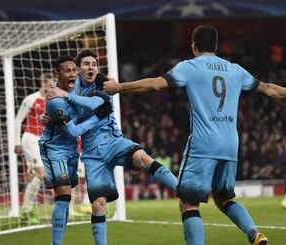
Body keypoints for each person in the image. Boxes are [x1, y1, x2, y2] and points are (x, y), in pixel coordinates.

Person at [103, 25, 286, 245]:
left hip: (204, 143)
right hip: (230, 144)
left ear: (193, 46)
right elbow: (268, 89)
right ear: (216, 46)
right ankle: (255, 234)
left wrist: (119, 87)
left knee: (188, 203)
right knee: (224, 198)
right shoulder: (235, 69)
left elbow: (155, 85)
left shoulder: (189, 67)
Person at [46, 49, 179, 245]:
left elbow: (92, 104)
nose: (91, 67)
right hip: (92, 154)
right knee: (99, 205)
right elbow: (60, 106)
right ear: (77, 69)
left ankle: (181, 189)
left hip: (113, 141)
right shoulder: (71, 88)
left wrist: (66, 95)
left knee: (142, 157)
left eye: (94, 64)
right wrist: (50, 116)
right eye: (86, 64)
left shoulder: (103, 84)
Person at [39, 55, 109, 245]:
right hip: (54, 149)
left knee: (66, 197)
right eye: (66, 71)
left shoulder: (76, 88)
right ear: (57, 73)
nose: (71, 74)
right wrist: (98, 118)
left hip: (71, 150)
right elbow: (74, 131)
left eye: (73, 70)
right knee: (63, 196)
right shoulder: (55, 100)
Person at [14, 73, 54, 224]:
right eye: (48, 85)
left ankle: (25, 210)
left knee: (36, 177)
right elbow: (18, 120)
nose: (50, 88)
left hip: (43, 142)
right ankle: (27, 210)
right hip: (30, 139)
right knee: (41, 174)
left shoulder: (52, 102)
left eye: (52, 85)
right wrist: (16, 142)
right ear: (42, 84)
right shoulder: (31, 99)